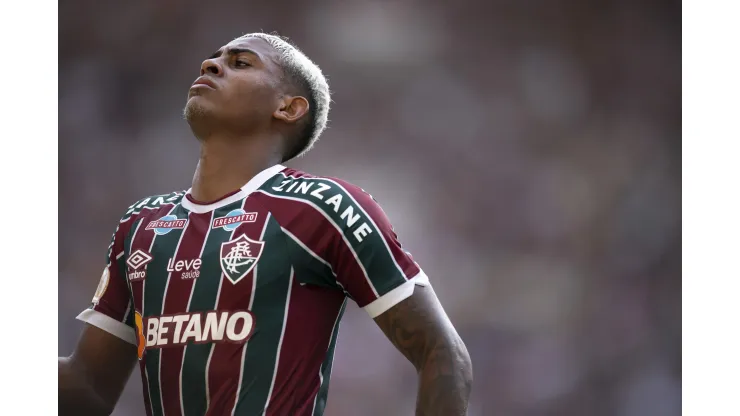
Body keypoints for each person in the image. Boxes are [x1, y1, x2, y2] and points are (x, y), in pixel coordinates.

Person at [58, 32, 473, 416]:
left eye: (240, 63)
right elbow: (89, 388)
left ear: (288, 107)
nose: (211, 65)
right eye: (213, 59)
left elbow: (443, 353)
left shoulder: (322, 207)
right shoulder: (142, 223)